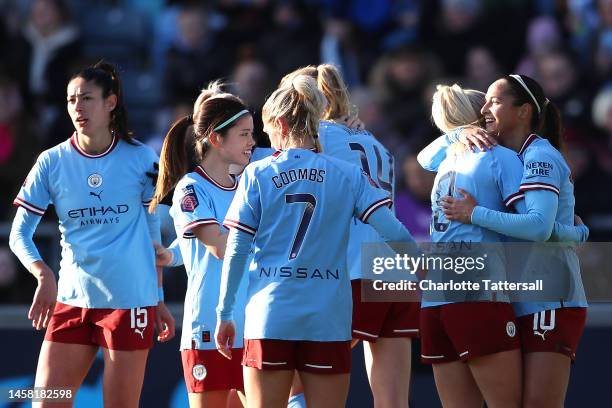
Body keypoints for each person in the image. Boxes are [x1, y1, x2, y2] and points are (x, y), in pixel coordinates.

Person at [215, 75, 419, 408]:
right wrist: (418, 266)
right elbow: (394, 231)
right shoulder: (348, 172)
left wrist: (224, 311)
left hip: (272, 312)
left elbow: (237, 248)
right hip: (329, 317)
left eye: (267, 131)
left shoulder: (258, 172)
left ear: (279, 123)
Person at [8, 61, 174, 408]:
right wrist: (43, 273)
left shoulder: (142, 158)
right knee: (45, 401)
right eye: (71, 100)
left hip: (130, 303)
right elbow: (19, 232)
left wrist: (157, 296)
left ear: (110, 102)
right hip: (72, 300)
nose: (77, 107)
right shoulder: (51, 162)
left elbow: (150, 231)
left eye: (86, 98)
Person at [421, 75, 589, 408]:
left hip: (548, 298)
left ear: (524, 111)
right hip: (512, 296)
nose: (486, 109)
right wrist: (457, 132)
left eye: (495, 101)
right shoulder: (491, 154)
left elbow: (539, 227)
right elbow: (425, 158)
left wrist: (578, 233)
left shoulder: (537, 156)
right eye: (483, 103)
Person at [281, 64, 417, 408]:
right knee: (393, 401)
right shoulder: (376, 142)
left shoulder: (318, 140)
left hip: (353, 270)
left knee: (288, 383)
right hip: (394, 272)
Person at [418, 83, 525, 407]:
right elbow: (532, 226)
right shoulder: (499, 158)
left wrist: (454, 135)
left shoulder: (446, 161)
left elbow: (423, 158)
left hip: (435, 297)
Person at [150, 82, 254, 408]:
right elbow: (218, 246)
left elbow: (189, 246)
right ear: (216, 139)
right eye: (244, 134)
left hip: (251, 324)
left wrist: (170, 254)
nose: (253, 142)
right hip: (209, 325)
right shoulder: (191, 188)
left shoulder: (249, 183)